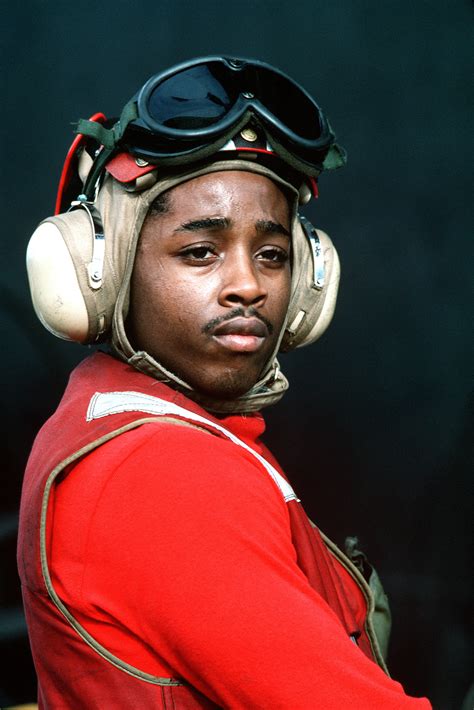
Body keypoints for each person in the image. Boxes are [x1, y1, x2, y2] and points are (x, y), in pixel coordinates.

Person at [18, 57, 432, 708]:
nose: (249, 284)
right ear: (106, 269)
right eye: (200, 252)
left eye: (272, 254)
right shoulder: (157, 474)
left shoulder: (118, 416)